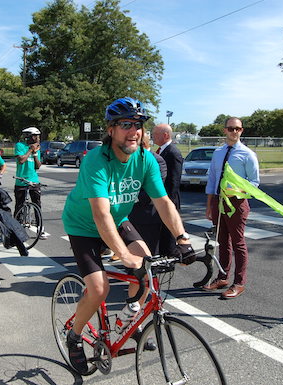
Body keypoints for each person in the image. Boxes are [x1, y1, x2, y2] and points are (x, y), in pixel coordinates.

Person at [61, 97, 196, 374]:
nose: (133, 130)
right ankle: (74, 336)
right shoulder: (96, 161)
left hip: (119, 219)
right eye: (125, 124)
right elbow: (100, 215)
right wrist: (123, 254)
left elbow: (163, 202)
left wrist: (182, 239)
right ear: (111, 129)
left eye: (138, 125)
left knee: (147, 272)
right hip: (82, 226)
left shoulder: (145, 159)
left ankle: (126, 321)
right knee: (99, 288)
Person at [203, 117, 259, 299]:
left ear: (242, 131)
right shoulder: (218, 153)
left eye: (238, 129)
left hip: (236, 203)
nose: (234, 132)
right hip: (219, 201)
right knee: (222, 241)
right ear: (224, 130)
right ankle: (222, 276)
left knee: (238, 242)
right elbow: (212, 179)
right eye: (231, 128)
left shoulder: (247, 154)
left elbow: (254, 182)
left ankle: (239, 282)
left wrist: (238, 190)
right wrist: (209, 205)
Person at [128, 131, 167, 255]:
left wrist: (130, 197)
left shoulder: (156, 160)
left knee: (149, 256)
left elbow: (153, 190)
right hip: (130, 214)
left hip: (147, 216)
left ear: (142, 143)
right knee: (133, 256)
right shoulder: (130, 158)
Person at [152, 123, 184, 257]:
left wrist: (167, 204)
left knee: (168, 231)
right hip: (161, 199)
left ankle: (169, 257)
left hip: (169, 199)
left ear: (165, 135)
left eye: (155, 134)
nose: (153, 137)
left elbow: (173, 181)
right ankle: (163, 254)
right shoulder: (161, 151)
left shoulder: (172, 153)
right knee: (161, 231)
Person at [14, 127, 49, 239]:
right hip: (21, 180)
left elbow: (38, 166)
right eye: (35, 136)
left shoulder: (36, 149)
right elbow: (21, 160)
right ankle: (16, 229)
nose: (37, 139)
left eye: (38, 136)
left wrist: (35, 154)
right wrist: (29, 150)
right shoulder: (20, 146)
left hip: (34, 180)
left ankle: (40, 228)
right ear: (28, 136)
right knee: (19, 205)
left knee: (37, 205)